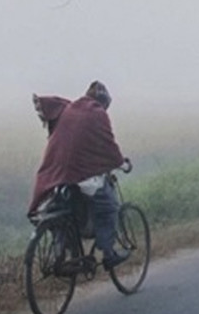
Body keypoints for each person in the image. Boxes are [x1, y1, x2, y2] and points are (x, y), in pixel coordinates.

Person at [28, 80, 130, 270]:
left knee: (62, 211)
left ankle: (62, 252)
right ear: (104, 102)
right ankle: (108, 254)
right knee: (109, 207)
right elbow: (108, 144)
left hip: (57, 173)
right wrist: (121, 162)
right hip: (81, 173)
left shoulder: (70, 108)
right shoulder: (98, 114)